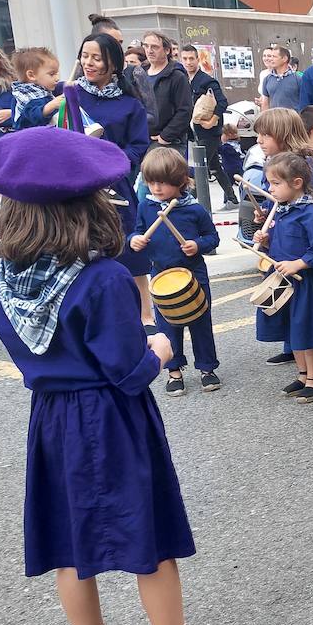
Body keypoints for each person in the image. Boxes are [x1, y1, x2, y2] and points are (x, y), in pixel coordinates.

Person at [0, 128, 237, 625]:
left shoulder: (0, 285)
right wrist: (162, 347)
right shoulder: (102, 279)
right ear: (89, 206)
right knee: (150, 534)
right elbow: (130, 371)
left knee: (71, 541)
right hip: (112, 419)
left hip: (51, 420)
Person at [64, 33, 154, 324]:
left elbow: (138, 147)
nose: (88, 63)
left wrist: (109, 160)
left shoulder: (130, 105)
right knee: (81, 250)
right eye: (85, 56)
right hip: (77, 187)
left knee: (129, 250)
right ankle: (93, 314)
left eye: (96, 57)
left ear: (113, 63)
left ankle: (145, 315)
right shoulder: (70, 93)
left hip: (115, 185)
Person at [129, 147, 221, 396]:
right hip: (161, 275)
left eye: (162, 183)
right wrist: (134, 240)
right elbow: (136, 231)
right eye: (151, 182)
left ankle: (207, 368)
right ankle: (174, 371)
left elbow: (213, 237)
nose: (156, 188)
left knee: (201, 321)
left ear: (180, 181)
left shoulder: (194, 209)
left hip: (193, 274)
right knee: (168, 325)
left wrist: (197, 245)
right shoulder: (146, 208)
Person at [253, 150, 313, 403]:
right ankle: (302, 374)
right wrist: (264, 242)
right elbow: (276, 247)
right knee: (291, 330)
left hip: (306, 283)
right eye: (269, 183)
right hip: (283, 282)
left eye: (275, 183)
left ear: (297, 184)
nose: (270, 189)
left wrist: (299, 263)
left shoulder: (312, 215)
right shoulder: (279, 212)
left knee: (307, 330)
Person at [181, 44, 236, 207]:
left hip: (209, 133)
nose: (188, 62)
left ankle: (190, 200)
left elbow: (222, 102)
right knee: (214, 166)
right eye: (185, 59)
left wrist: (212, 121)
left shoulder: (206, 80)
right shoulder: (184, 80)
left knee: (201, 167)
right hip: (194, 131)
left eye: (191, 58)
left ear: (198, 59)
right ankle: (232, 198)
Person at [141, 31, 192, 156]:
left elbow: (185, 110)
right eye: (146, 46)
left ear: (167, 50)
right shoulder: (139, 74)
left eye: (155, 47)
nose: (149, 50)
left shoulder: (177, 76)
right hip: (142, 139)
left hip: (169, 142)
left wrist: (165, 136)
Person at [10, 47, 63, 130]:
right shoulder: (26, 97)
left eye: (57, 73)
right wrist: (50, 106)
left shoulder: (42, 90)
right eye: (52, 74)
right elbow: (31, 116)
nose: (57, 78)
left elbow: (62, 86)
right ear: (31, 75)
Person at [260, 44, 303, 112]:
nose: (271, 59)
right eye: (270, 56)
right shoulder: (267, 79)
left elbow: (304, 102)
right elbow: (265, 104)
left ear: (284, 59)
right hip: (274, 120)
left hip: (293, 120)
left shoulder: (298, 79)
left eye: (274, 57)